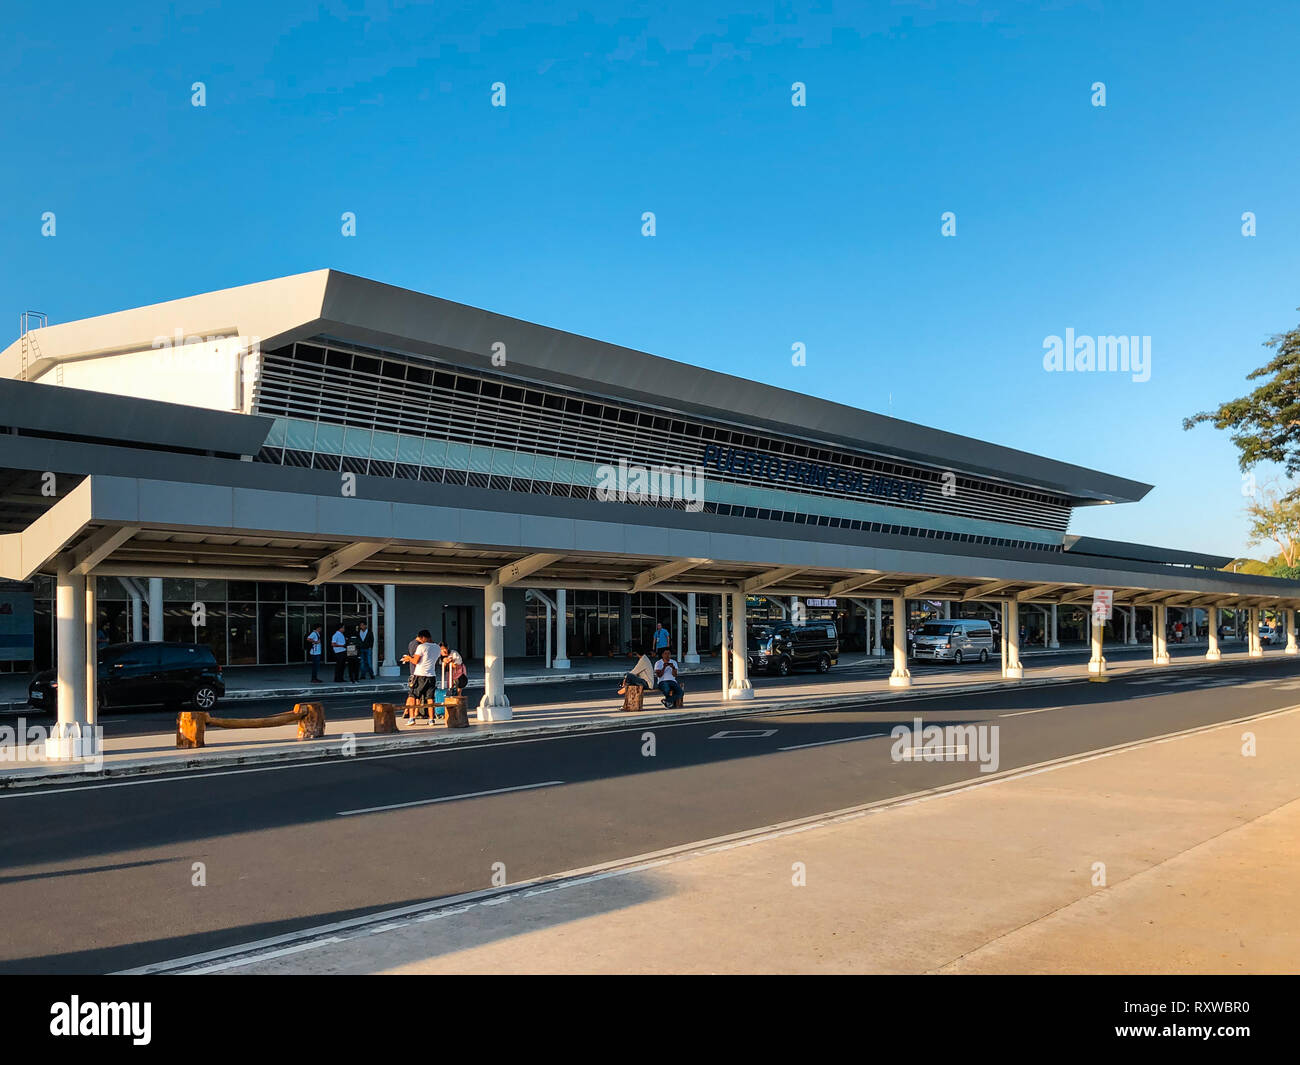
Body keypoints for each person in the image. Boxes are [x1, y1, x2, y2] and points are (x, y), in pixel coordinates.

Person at [400, 630, 438, 721]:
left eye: (420, 638)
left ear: (423, 638)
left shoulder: (421, 646)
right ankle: (431, 719)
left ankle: (412, 718)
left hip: (420, 674)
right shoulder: (437, 647)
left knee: (413, 695)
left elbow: (415, 661)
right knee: (430, 697)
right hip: (432, 675)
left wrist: (409, 658)